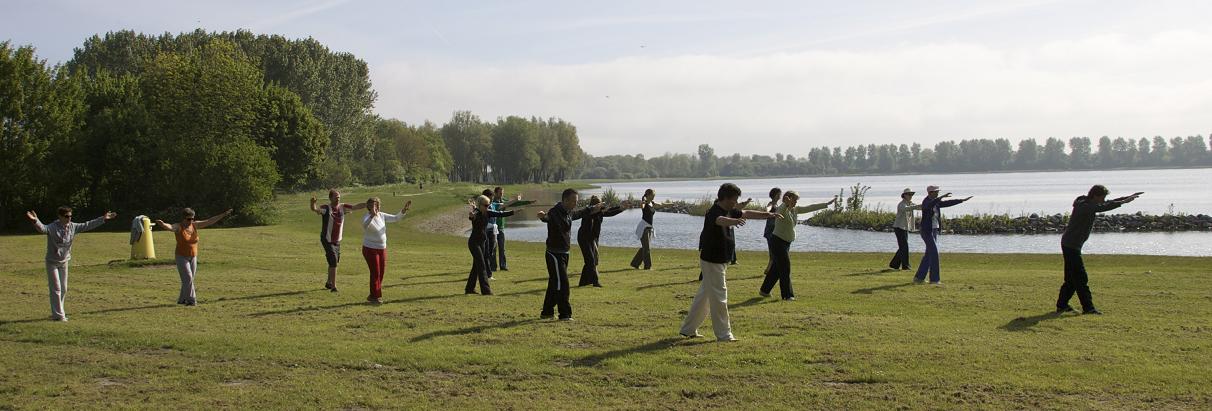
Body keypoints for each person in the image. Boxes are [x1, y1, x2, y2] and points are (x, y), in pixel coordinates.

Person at [680, 183, 780, 342]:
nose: (735, 203)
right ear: (725, 198)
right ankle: (724, 335)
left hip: (720, 260)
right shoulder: (714, 211)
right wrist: (733, 222)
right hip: (713, 260)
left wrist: (767, 215)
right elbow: (720, 220)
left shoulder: (730, 210)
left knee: (704, 295)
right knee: (720, 295)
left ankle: (688, 329)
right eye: (734, 199)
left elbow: (746, 212)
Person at [1057, 185, 1140, 315]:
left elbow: (1106, 203)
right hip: (1071, 246)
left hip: (1071, 245)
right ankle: (1088, 308)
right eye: (1102, 197)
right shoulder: (1084, 206)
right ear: (1095, 196)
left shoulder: (1088, 203)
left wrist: (1126, 198)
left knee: (1071, 279)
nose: (1103, 200)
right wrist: (1123, 202)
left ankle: (1062, 305)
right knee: (1081, 278)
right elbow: (1102, 207)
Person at [26, 207, 117, 321]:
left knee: (63, 289)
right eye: (66, 216)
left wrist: (103, 219)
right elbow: (43, 229)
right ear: (60, 217)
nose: (69, 218)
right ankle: (59, 316)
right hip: (52, 262)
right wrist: (35, 220)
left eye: (70, 216)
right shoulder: (53, 227)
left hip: (64, 261)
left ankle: (57, 312)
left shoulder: (73, 227)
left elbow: (87, 225)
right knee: (56, 289)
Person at [537, 188, 604, 320]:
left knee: (554, 283)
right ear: (565, 200)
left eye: (577, 201)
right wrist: (543, 217)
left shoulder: (568, 212)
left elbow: (580, 213)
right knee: (563, 283)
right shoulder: (555, 212)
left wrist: (594, 208)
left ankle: (546, 312)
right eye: (574, 201)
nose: (576, 203)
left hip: (564, 252)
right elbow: (548, 218)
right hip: (554, 254)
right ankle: (565, 314)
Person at [760, 191, 837, 301]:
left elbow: (810, 207)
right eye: (794, 200)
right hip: (777, 242)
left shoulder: (795, 209)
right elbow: (780, 211)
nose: (796, 202)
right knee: (785, 268)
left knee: (777, 269)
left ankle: (764, 291)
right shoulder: (782, 208)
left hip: (786, 243)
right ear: (788, 199)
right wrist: (786, 204)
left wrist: (826, 204)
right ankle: (787, 295)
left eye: (797, 200)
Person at [156, 208, 233, 306]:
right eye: (188, 219)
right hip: (181, 256)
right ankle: (192, 300)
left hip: (193, 256)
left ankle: (182, 300)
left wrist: (223, 214)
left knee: (189, 280)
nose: (191, 221)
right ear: (183, 219)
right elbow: (170, 227)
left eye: (192, 219)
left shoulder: (194, 225)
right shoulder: (179, 227)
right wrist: (163, 225)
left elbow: (209, 221)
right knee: (188, 278)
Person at [310, 189, 367, 292]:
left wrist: (368, 204)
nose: (338, 199)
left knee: (334, 262)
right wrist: (312, 203)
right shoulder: (326, 208)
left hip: (337, 240)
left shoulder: (342, 207)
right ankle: (334, 286)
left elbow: (355, 207)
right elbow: (315, 210)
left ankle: (328, 282)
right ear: (330, 198)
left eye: (339, 197)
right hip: (327, 239)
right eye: (336, 197)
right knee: (333, 262)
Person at [913, 186, 971, 285]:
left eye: (938, 192)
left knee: (929, 254)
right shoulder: (926, 202)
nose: (938, 193)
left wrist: (961, 201)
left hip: (934, 229)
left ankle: (919, 278)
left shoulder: (936, 202)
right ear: (930, 192)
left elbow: (947, 203)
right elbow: (930, 205)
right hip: (927, 231)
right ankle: (934, 280)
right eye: (936, 192)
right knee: (934, 253)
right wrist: (940, 198)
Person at [360, 197, 410, 304]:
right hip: (370, 249)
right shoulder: (367, 217)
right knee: (375, 273)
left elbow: (396, 218)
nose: (377, 207)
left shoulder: (382, 215)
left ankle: (373, 294)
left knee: (381, 273)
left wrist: (403, 211)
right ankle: (376, 297)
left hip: (382, 249)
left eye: (378, 204)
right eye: (374, 205)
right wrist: (372, 215)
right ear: (369, 207)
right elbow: (365, 225)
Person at [467, 195, 514, 295]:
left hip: (482, 242)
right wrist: (471, 216)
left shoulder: (488, 212)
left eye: (488, 204)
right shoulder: (476, 212)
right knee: (481, 265)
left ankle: (469, 289)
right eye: (485, 205)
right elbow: (472, 216)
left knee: (476, 266)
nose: (488, 206)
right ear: (480, 205)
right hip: (474, 243)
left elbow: (500, 214)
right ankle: (486, 291)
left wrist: (513, 212)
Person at [577, 196, 625, 287]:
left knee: (592, 260)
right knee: (590, 260)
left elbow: (610, 211)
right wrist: (599, 209)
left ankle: (583, 282)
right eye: (599, 205)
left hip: (592, 237)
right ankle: (595, 282)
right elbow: (593, 215)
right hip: (584, 238)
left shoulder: (600, 212)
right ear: (594, 205)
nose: (601, 207)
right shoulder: (588, 212)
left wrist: (621, 208)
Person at [889, 188, 920, 270]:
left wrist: (925, 206)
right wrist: (916, 206)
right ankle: (905, 266)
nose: (910, 196)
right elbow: (906, 209)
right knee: (904, 247)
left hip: (904, 228)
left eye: (911, 194)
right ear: (904, 195)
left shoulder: (910, 204)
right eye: (908, 194)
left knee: (903, 246)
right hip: (899, 227)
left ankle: (894, 264)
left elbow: (916, 207)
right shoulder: (901, 204)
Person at [630, 189, 656, 270]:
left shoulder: (652, 203)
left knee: (645, 247)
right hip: (643, 228)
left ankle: (635, 263)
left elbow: (661, 204)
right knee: (646, 248)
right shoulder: (644, 203)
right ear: (648, 195)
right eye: (653, 195)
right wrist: (643, 202)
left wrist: (670, 204)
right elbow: (642, 206)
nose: (654, 196)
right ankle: (647, 266)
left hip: (649, 228)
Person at [762, 188, 783, 276]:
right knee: (772, 250)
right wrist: (767, 212)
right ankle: (769, 268)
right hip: (770, 230)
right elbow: (768, 208)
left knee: (775, 250)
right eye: (779, 194)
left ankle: (770, 268)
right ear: (774, 195)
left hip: (776, 230)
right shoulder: (771, 204)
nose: (780, 196)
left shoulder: (778, 205)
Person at [480, 189, 499, 277]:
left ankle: (487, 272)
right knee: (486, 253)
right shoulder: (483, 209)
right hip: (486, 232)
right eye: (490, 198)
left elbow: (504, 205)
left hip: (492, 230)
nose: (491, 200)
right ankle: (487, 273)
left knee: (490, 252)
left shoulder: (492, 205)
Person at [492, 187, 509, 271]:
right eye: (500, 193)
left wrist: (528, 202)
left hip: (501, 228)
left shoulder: (503, 200)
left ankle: (503, 266)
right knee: (493, 248)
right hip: (494, 228)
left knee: (502, 248)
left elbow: (513, 203)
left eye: (502, 193)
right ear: (495, 193)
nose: (501, 195)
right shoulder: (492, 202)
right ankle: (493, 267)